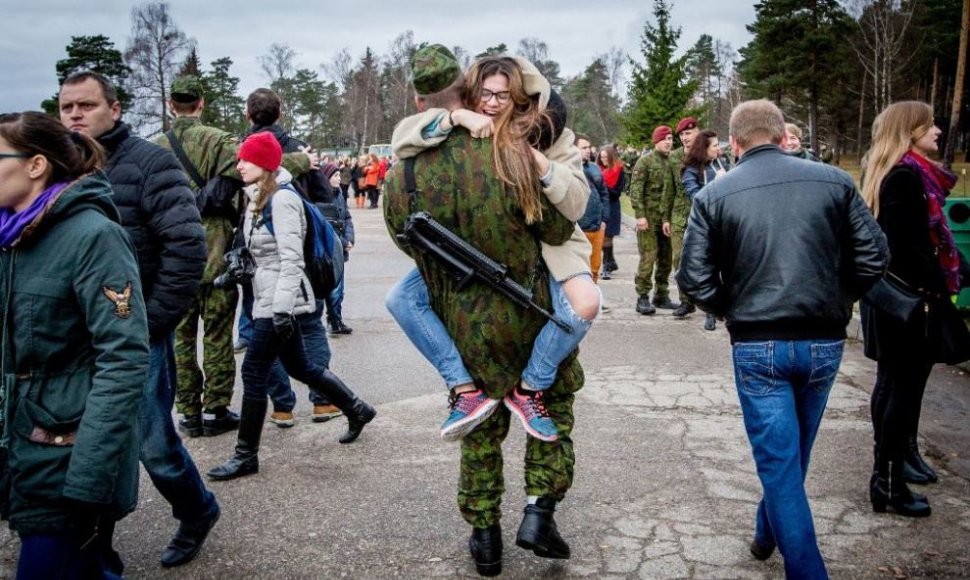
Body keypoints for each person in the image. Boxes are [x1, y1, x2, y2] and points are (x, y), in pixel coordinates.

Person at [384, 44, 584, 577]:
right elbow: (560, 228)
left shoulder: (405, 166)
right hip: (530, 308)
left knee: (480, 432)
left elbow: (407, 241)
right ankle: (540, 513)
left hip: (462, 315)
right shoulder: (514, 155)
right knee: (549, 415)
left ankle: (486, 537)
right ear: (470, 93)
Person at [677, 99, 888, 578]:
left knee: (782, 456)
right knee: (791, 451)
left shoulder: (716, 195)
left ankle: (807, 569)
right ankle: (766, 531)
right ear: (779, 133)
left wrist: (732, 307)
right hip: (821, 339)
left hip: (759, 342)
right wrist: (837, 300)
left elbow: (692, 278)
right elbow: (874, 255)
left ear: (734, 143)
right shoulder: (833, 181)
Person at [387, 49, 596, 443]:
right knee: (401, 299)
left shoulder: (550, 135)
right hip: (478, 247)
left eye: (503, 95)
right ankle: (463, 388)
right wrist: (454, 116)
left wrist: (540, 164)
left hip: (545, 245)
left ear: (519, 96)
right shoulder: (464, 125)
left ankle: (531, 387)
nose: (493, 103)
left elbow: (576, 206)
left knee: (584, 304)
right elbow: (401, 141)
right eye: (485, 93)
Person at [58, 71, 219, 568]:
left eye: (86, 105)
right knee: (85, 443)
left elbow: (188, 249)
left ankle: (196, 509)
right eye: (67, 108)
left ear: (115, 108)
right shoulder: (58, 168)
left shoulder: (152, 163)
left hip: (136, 333)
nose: (76, 115)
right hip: (76, 335)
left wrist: (151, 324)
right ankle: (94, 545)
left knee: (153, 443)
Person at [0, 111, 148, 578]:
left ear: (36, 165)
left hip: (64, 447)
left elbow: (124, 357)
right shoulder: (12, 236)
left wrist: (89, 474)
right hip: (19, 440)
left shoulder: (93, 236)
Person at [206, 132, 376, 482]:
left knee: (253, 371)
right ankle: (357, 409)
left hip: (281, 302)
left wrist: (281, 310)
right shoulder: (257, 197)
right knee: (301, 366)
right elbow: (264, 255)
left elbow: (290, 259)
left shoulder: (281, 200)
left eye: (246, 160)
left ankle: (245, 456)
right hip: (273, 297)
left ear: (266, 164)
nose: (238, 165)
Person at [859, 101, 970, 517]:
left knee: (895, 388)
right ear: (910, 131)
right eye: (929, 125)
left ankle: (890, 475)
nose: (938, 131)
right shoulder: (905, 177)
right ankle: (887, 481)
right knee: (898, 392)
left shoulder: (903, 173)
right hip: (910, 303)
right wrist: (945, 281)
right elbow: (908, 249)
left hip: (902, 302)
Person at [242, 88, 341, 426]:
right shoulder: (300, 149)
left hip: (258, 257)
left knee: (263, 327)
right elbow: (325, 195)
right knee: (311, 326)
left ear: (248, 114)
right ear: (280, 112)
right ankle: (323, 401)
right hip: (304, 254)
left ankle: (282, 405)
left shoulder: (241, 154)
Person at [155, 75, 243, 439]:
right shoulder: (221, 142)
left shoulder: (155, 148)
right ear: (201, 103)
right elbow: (229, 190)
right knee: (219, 336)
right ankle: (215, 409)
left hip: (173, 257)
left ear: (171, 104)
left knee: (181, 339)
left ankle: (188, 411)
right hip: (216, 252)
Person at [680, 128, 728, 331]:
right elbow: (695, 196)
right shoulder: (691, 170)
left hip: (724, 223)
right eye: (715, 145)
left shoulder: (723, 164)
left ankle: (722, 309)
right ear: (705, 148)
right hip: (704, 226)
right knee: (707, 268)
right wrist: (717, 184)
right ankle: (709, 310)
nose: (718, 149)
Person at [631, 126, 679, 315]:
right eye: (665, 139)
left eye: (670, 138)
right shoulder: (645, 162)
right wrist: (640, 216)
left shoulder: (673, 161)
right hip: (648, 219)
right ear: (656, 141)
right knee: (648, 257)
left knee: (666, 258)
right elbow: (635, 191)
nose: (668, 142)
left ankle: (661, 295)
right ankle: (642, 297)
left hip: (666, 219)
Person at [666, 117, 700, 319]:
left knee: (707, 260)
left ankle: (710, 301)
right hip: (679, 215)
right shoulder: (674, 157)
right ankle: (686, 301)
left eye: (689, 133)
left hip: (703, 215)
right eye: (682, 135)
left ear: (698, 131)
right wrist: (665, 218)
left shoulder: (707, 152)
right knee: (678, 258)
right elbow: (668, 188)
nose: (685, 138)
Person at [320, 162, 356, 335]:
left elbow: (347, 218)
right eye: (335, 176)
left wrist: (350, 238)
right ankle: (333, 320)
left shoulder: (340, 194)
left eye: (339, 175)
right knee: (334, 287)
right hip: (331, 249)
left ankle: (336, 318)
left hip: (341, 248)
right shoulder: (322, 197)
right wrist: (342, 242)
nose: (339, 178)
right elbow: (327, 226)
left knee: (340, 287)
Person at [575, 134, 609, 285]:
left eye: (589, 147)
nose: (588, 150)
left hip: (597, 226)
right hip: (579, 227)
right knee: (579, 269)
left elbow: (604, 193)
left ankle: (594, 297)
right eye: (584, 148)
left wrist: (604, 219)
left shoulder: (595, 168)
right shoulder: (568, 168)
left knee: (595, 267)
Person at [597, 144, 625, 279]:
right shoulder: (598, 170)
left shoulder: (619, 170)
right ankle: (611, 262)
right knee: (603, 236)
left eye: (606, 157)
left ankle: (606, 265)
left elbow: (617, 192)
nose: (603, 160)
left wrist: (603, 188)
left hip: (613, 206)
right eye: (601, 157)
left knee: (607, 236)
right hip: (601, 206)